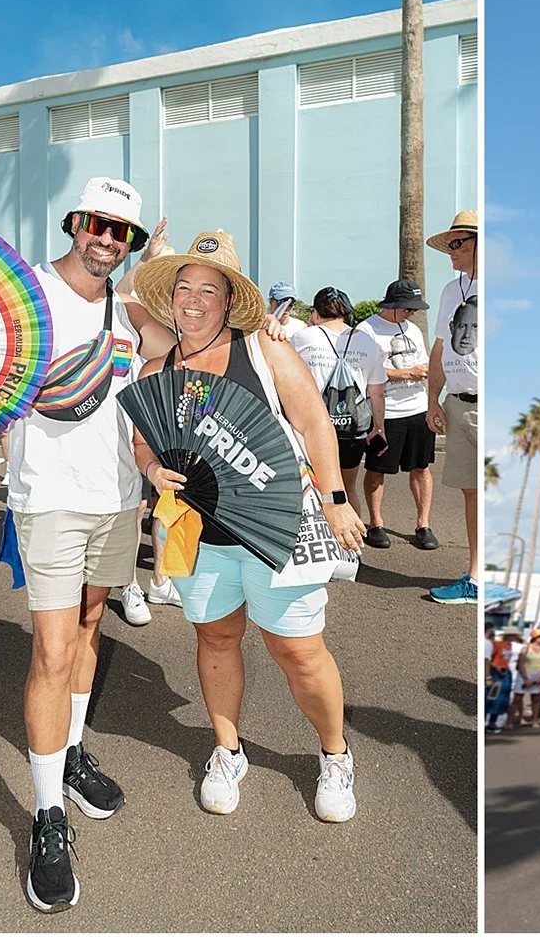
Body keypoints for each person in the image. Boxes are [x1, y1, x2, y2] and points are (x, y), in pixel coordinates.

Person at [0, 176, 180, 913]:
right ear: (74, 223)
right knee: (52, 651)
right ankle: (47, 815)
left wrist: (172, 282)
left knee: (90, 627)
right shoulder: (24, 296)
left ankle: (72, 749)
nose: (108, 240)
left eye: (124, 232)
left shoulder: (129, 312)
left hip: (118, 498)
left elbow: (179, 348)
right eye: (98, 224)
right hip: (49, 499)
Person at [129, 228, 369, 827]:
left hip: (277, 530)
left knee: (298, 651)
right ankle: (227, 750)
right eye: (184, 288)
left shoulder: (266, 351)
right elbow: (143, 439)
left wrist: (337, 500)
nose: (193, 300)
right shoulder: (159, 366)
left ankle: (335, 755)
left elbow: (315, 424)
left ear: (230, 299)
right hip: (200, 535)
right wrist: (153, 469)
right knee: (215, 640)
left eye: (208, 290)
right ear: (170, 298)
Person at [288, 287, 388, 526]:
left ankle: (316, 543)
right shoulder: (366, 342)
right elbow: (376, 392)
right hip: (352, 429)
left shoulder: (303, 338)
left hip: (311, 428)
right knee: (347, 488)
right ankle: (353, 542)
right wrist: (379, 428)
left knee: (312, 490)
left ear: (315, 312)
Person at [424, 211, 481, 603]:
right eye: (449, 245)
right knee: (471, 493)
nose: (451, 251)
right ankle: (475, 578)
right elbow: (440, 348)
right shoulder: (450, 291)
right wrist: (433, 399)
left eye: (458, 243)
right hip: (458, 403)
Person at [358, 279, 438, 552]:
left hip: (417, 408)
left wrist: (424, 372)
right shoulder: (367, 330)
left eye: (414, 309)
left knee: (421, 467)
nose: (411, 313)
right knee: (377, 469)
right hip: (386, 412)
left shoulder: (413, 329)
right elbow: (362, 370)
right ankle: (375, 524)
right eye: (408, 308)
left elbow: (423, 361)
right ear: (392, 304)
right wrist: (405, 373)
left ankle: (423, 524)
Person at [516, 633, 540, 729]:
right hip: (526, 673)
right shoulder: (526, 647)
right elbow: (521, 663)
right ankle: (518, 718)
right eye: (539, 636)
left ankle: (535, 720)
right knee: (518, 697)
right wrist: (525, 678)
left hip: (538, 674)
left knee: (536, 698)